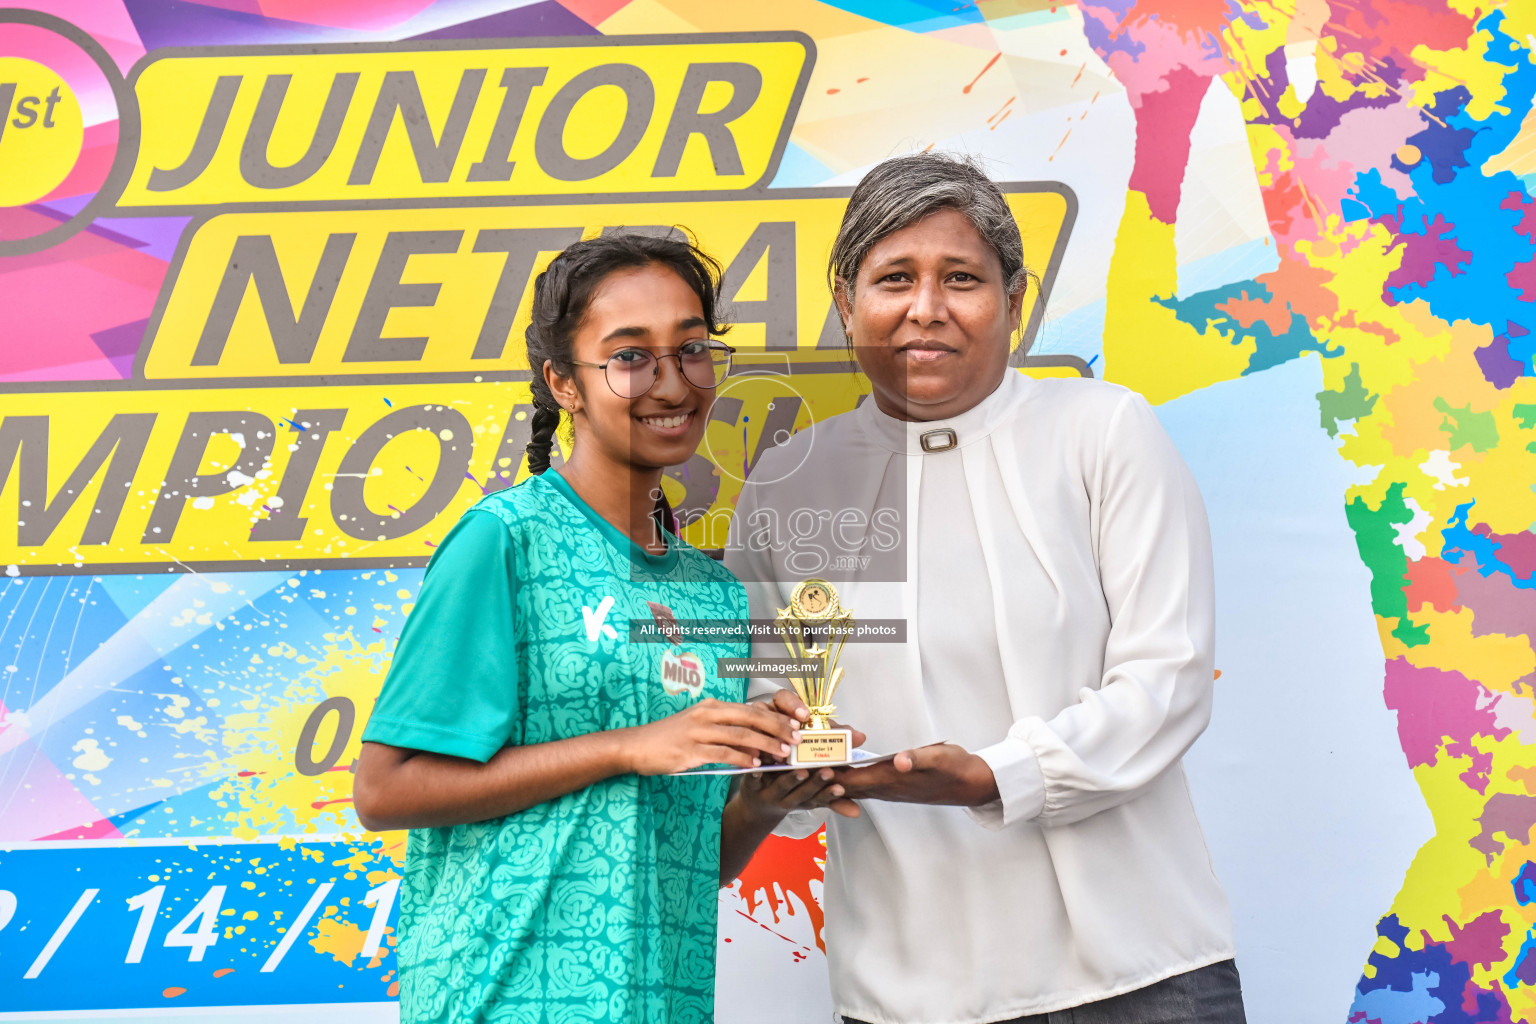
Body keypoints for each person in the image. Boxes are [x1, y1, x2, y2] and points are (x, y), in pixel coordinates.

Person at [725, 154, 1246, 1023]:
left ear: (1014, 304)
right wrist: (778, 759)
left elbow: (1168, 681)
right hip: (906, 991)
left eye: (960, 278)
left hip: (1143, 974)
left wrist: (995, 776)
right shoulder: (789, 484)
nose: (925, 308)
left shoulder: (1099, 432)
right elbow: (764, 701)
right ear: (848, 304)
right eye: (894, 279)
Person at [352, 232, 841, 1024]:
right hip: (502, 997)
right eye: (630, 356)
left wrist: (765, 801)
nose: (672, 383)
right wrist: (626, 747)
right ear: (563, 384)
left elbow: (682, 853)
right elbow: (384, 789)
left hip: (662, 1000)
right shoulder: (506, 539)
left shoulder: (714, 594)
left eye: (690, 349)